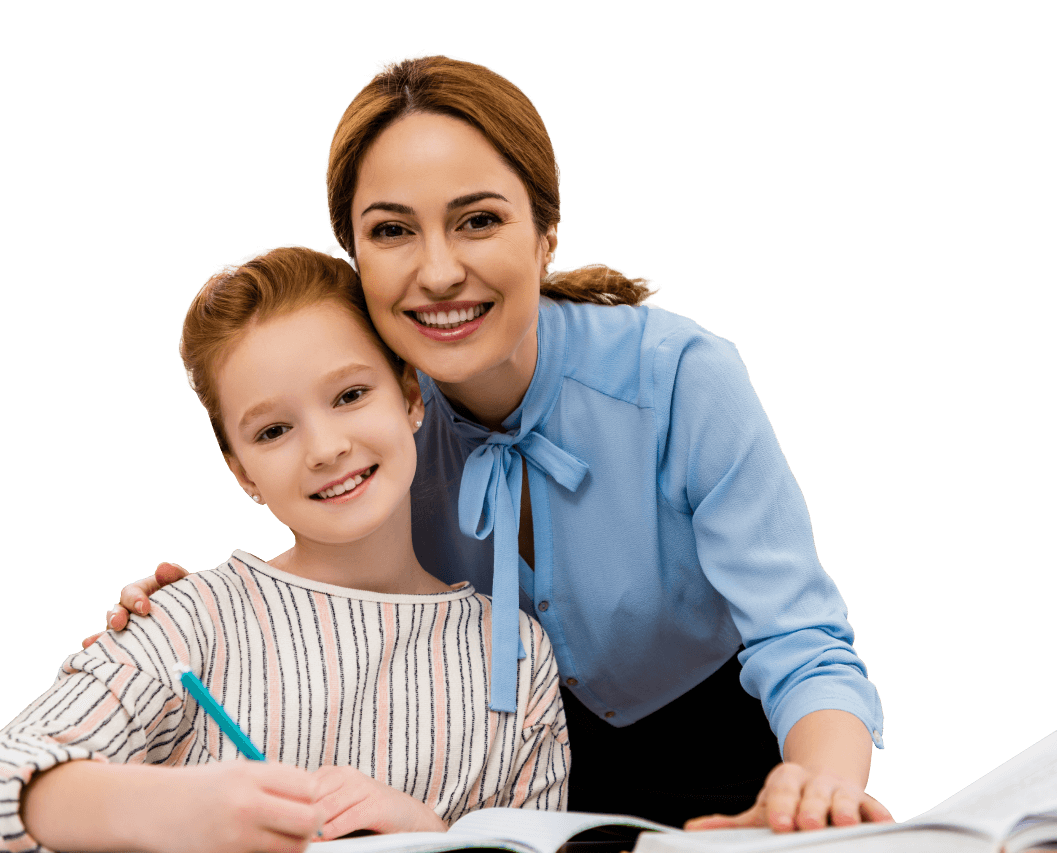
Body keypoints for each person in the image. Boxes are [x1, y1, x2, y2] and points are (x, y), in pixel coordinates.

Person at [89, 53, 893, 832]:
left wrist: (819, 787)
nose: (439, 272)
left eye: (477, 220)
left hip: (729, 762)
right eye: (392, 230)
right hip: (492, 784)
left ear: (546, 233)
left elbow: (801, 639)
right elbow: (323, 565)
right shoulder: (374, 418)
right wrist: (186, 620)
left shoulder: (679, 376)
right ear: (354, 258)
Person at [0, 245, 569, 853]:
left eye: (350, 395)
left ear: (410, 396)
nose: (325, 449)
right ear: (242, 472)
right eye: (273, 431)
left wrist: (429, 836)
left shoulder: (515, 653)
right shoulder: (187, 621)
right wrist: (173, 811)